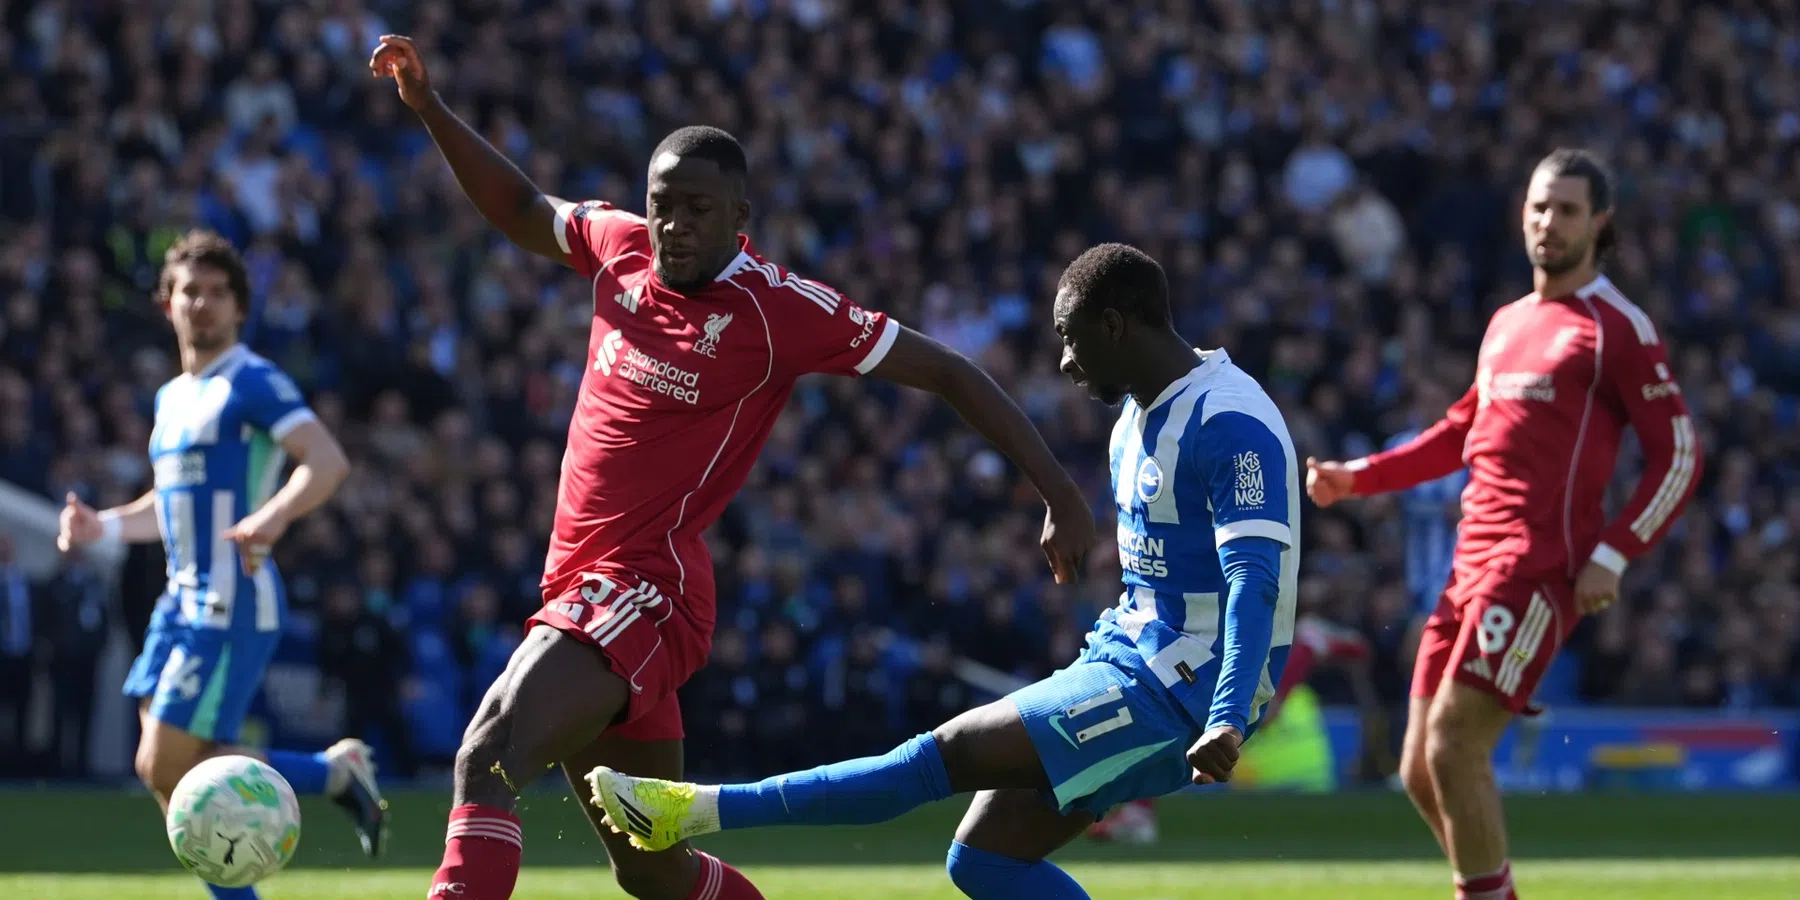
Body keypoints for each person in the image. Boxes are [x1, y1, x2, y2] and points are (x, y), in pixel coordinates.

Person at [368, 36, 1095, 900]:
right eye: (663, 203)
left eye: (699, 209)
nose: (675, 224)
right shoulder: (620, 248)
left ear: (739, 216)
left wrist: (1059, 494)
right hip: (579, 584)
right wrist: (430, 108)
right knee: (652, 866)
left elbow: (944, 368)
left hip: (645, 587)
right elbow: (524, 206)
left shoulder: (778, 309)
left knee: (488, 751)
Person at [586, 243, 1301, 900]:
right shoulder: (1133, 421)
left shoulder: (1228, 420)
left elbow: (1253, 580)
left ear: (1113, 326)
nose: (1062, 360)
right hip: (1134, 656)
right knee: (985, 860)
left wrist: (1229, 713)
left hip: (1189, 693)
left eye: (1069, 336)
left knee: (944, 755)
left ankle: (690, 812)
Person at [1305, 149, 1701, 900]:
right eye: (1539, 207)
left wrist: (1615, 552)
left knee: (1455, 747)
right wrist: (1358, 478)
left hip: (1538, 566)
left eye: (1568, 210)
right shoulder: (1507, 323)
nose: (1549, 222)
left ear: (1600, 223)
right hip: (1468, 567)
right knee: (1420, 767)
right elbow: (1460, 432)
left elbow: (1677, 453)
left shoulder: (1616, 327)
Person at [56, 230, 388, 900]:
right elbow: (169, 502)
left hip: (232, 599)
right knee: (170, 774)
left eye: (217, 293)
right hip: (179, 602)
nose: (202, 304)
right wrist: (105, 526)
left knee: (165, 763)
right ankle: (331, 774)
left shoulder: (252, 379)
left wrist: (272, 517)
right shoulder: (172, 398)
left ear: (239, 308)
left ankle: (322, 787)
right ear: (167, 304)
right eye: (189, 292)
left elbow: (326, 462)